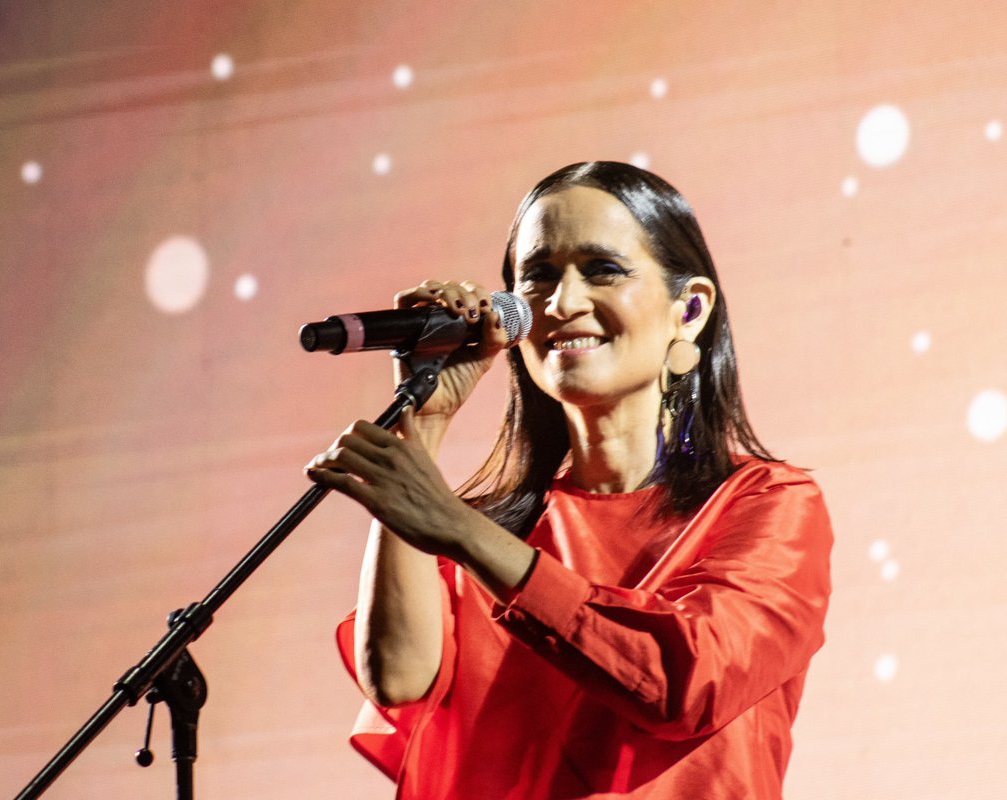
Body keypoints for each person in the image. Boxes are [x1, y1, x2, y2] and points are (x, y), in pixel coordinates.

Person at [305, 161, 832, 799]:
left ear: (688, 309)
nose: (561, 302)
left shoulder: (767, 505)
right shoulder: (491, 529)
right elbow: (397, 677)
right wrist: (424, 420)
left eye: (602, 269)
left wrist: (458, 530)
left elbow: (687, 683)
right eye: (539, 276)